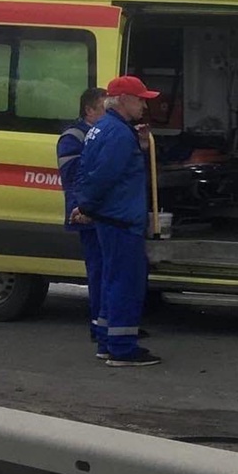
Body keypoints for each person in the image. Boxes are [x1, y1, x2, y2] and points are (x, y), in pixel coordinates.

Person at [73, 76, 162, 367]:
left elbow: (90, 172)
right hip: (121, 221)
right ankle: (122, 349)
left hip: (110, 219)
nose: (144, 105)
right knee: (125, 284)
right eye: (140, 99)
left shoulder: (102, 129)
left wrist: (86, 205)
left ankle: (106, 341)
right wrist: (86, 205)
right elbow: (105, 176)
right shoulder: (118, 134)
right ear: (123, 100)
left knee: (111, 282)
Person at [56, 86, 107, 352]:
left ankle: (108, 323)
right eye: (103, 108)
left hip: (99, 212)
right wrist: (81, 210)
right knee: (98, 271)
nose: (108, 113)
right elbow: (74, 179)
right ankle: (98, 327)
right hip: (87, 215)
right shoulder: (73, 137)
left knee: (107, 270)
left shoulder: (97, 133)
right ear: (89, 110)